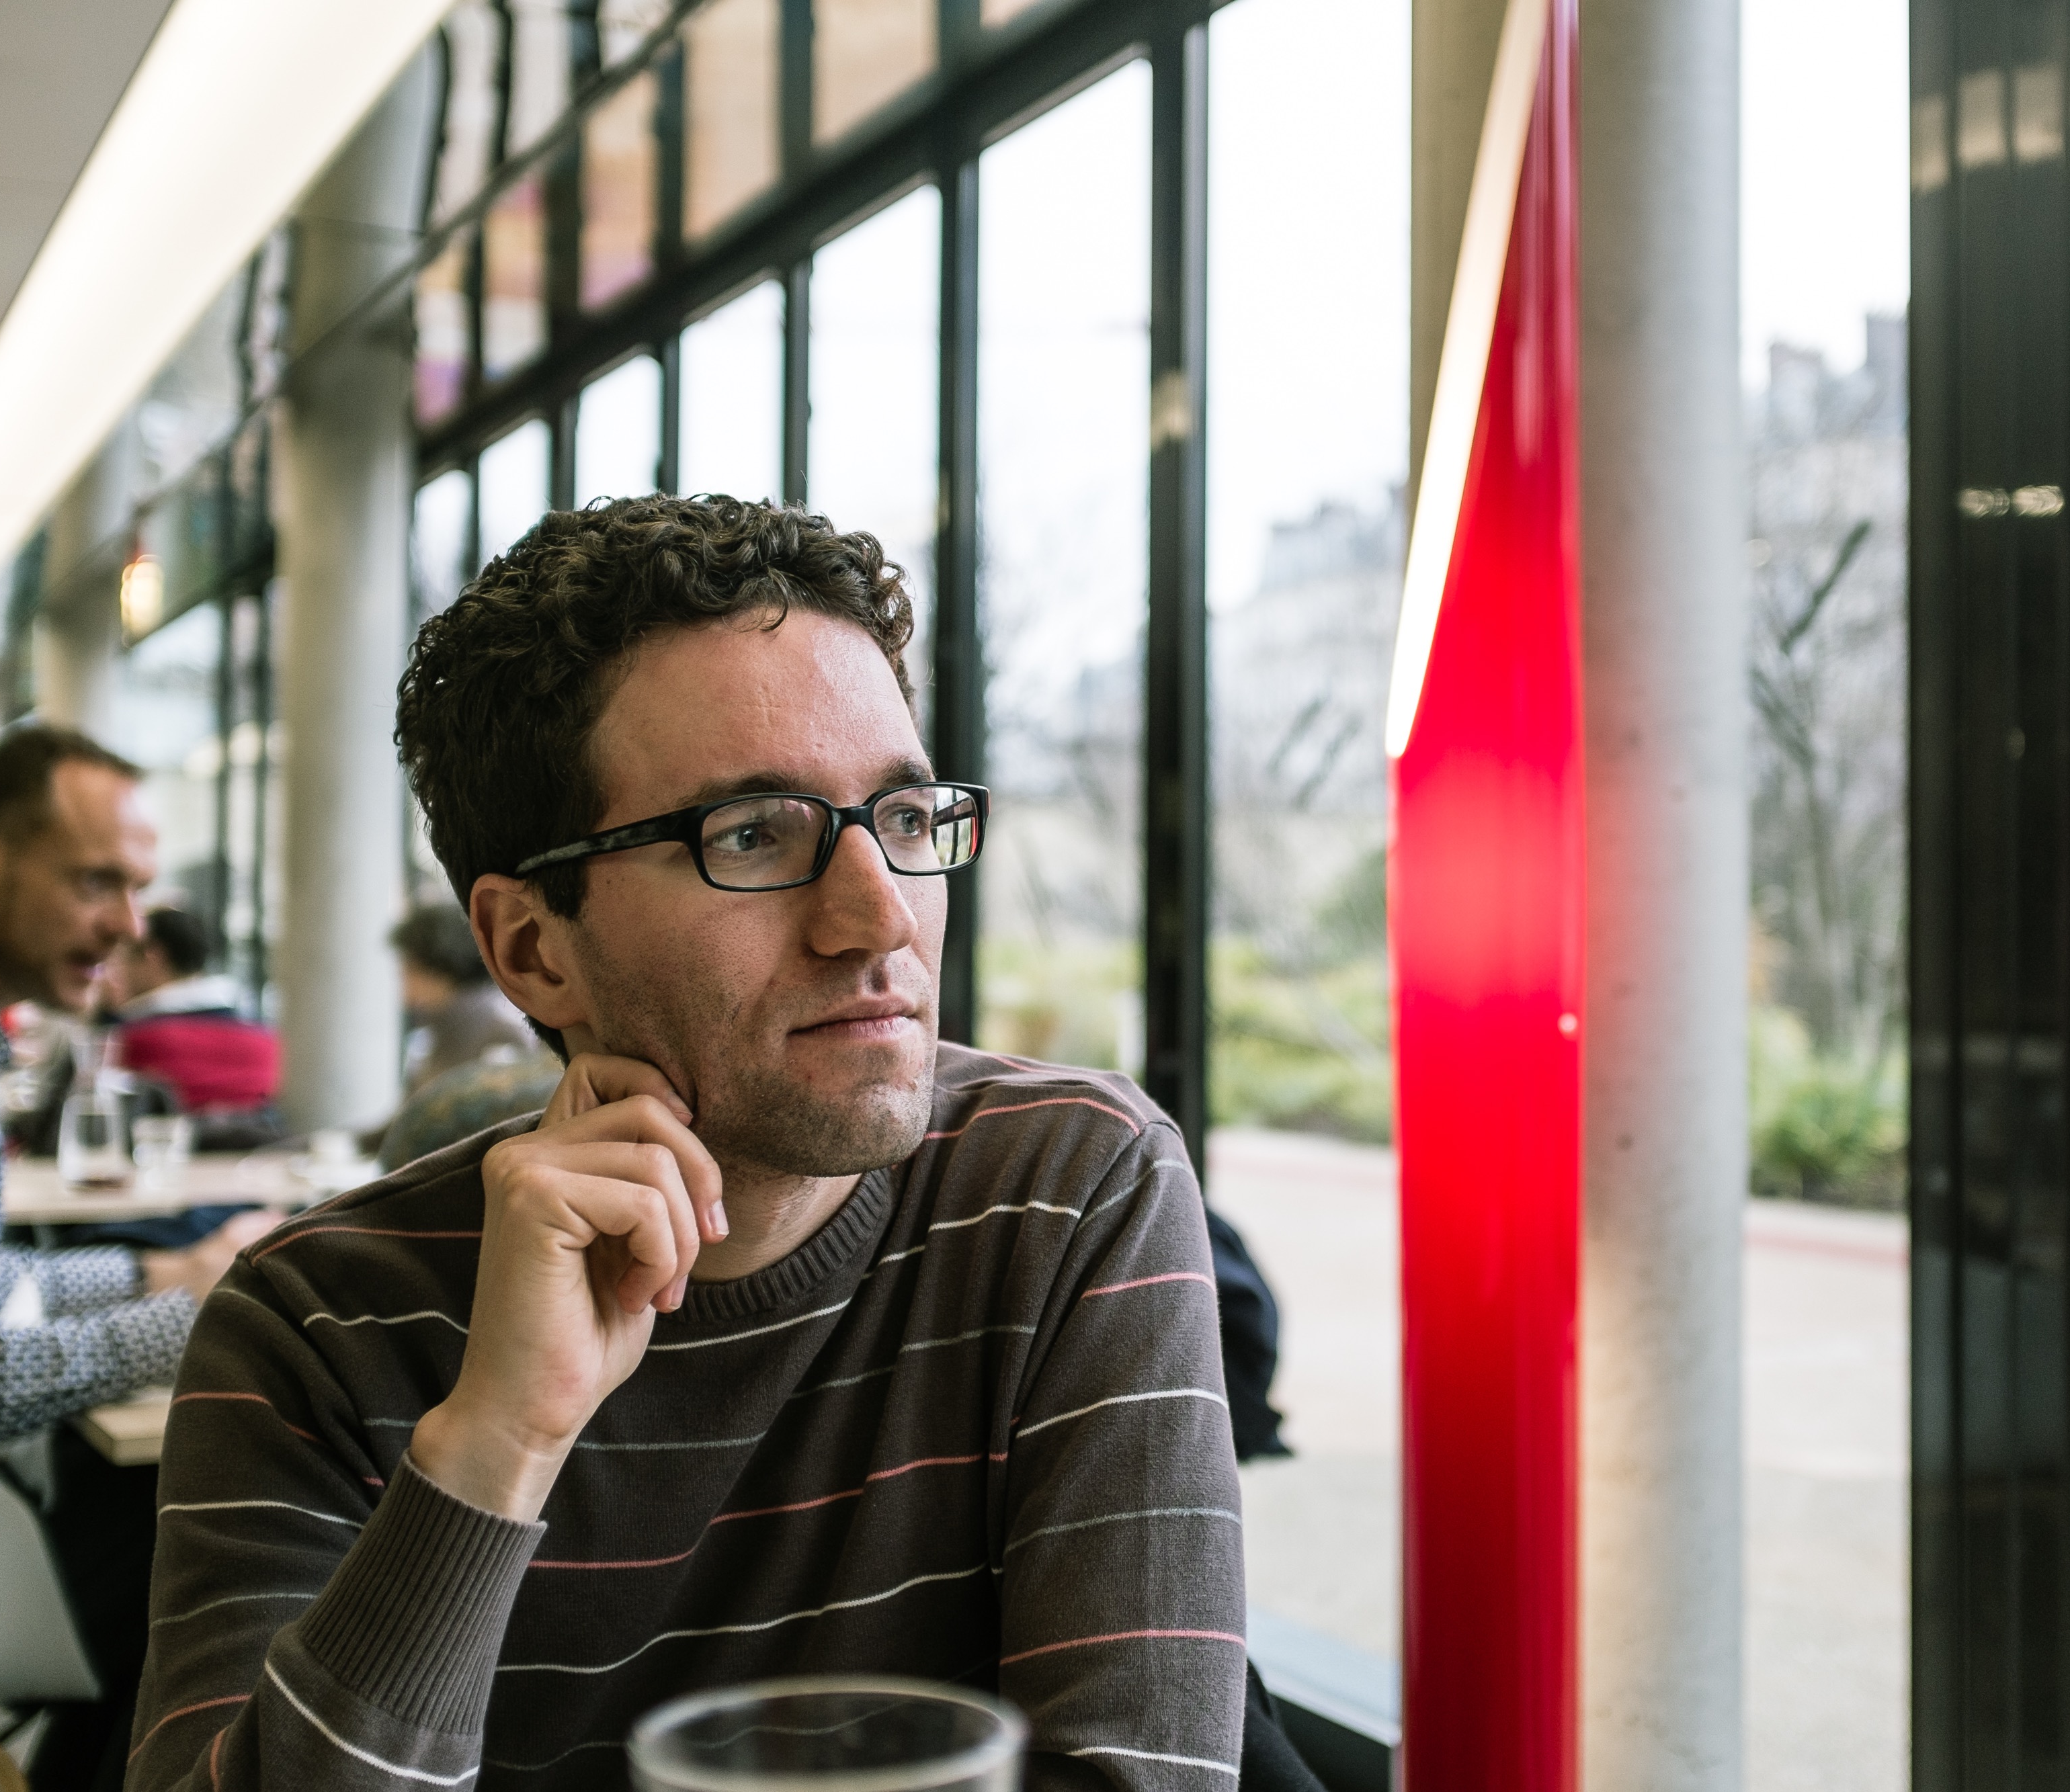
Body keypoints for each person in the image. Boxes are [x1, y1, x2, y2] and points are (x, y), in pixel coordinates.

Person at [130, 497, 1289, 1791]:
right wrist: (499, 1442)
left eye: (904, 822)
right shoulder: (310, 1327)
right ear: (531, 947)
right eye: (752, 836)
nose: (879, 920)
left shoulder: (1068, 1191)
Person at [0, 725, 279, 1791]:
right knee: (215, 1530)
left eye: (135, 889)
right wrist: (220, 1314)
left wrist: (157, 1275)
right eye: (95, 883)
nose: (128, 925)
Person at [108, 907, 284, 1142]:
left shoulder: (134, 1039)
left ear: (153, 957)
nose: (116, 973)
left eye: (124, 959)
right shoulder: (265, 1038)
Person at [390, 901, 537, 1093]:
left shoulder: (498, 1036)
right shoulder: (443, 1027)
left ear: (441, 968)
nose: (403, 981)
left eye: (411, 969)